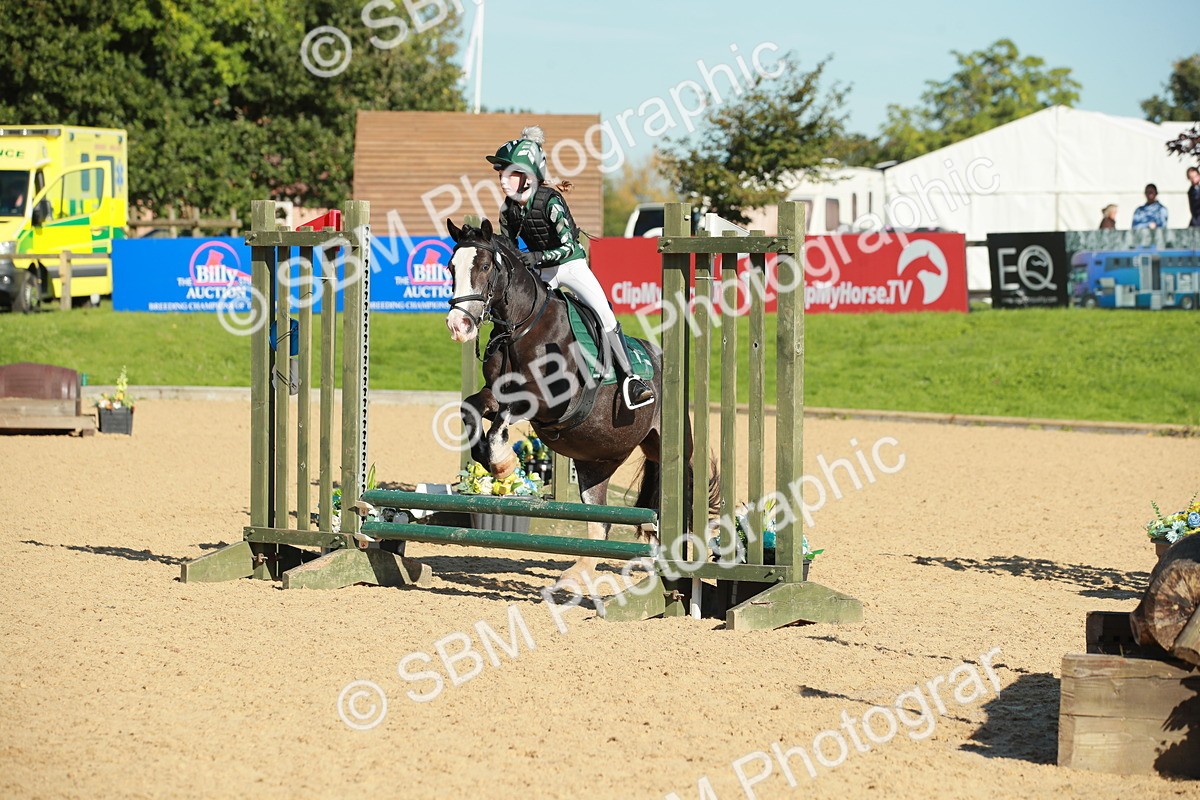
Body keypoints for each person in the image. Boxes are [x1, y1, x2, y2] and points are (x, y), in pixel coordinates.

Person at [486, 126, 655, 410]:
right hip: (543, 270)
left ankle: (632, 379)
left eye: (510, 173)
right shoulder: (508, 209)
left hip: (570, 265)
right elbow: (510, 246)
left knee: (604, 313)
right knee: (516, 311)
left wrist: (536, 258)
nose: (503, 179)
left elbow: (567, 246)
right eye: (502, 173)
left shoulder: (551, 201)